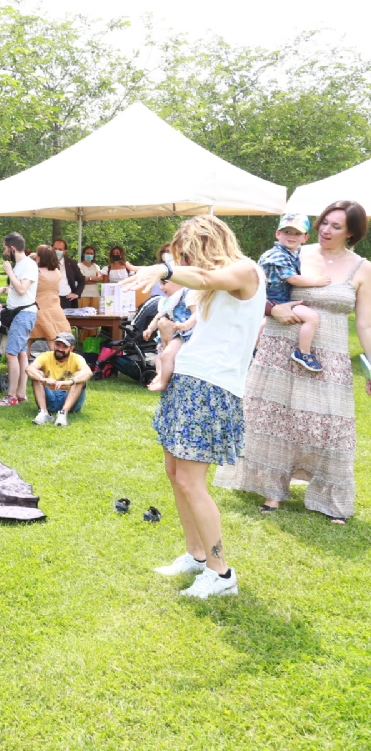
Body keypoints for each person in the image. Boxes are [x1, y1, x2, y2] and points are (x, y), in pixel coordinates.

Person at [122, 214, 265, 599]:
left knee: (190, 480)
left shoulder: (245, 270)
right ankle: (196, 555)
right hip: (189, 380)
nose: (189, 263)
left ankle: (221, 574)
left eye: (190, 254)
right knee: (175, 473)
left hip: (211, 387)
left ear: (207, 245)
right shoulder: (214, 286)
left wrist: (165, 267)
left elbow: (203, 279)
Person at [215, 200, 371, 525]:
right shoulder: (297, 250)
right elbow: (260, 290)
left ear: (353, 233)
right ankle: (273, 490)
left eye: (336, 226)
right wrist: (272, 309)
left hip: (330, 357)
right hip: (279, 347)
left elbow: (365, 324)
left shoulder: (362, 268)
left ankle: (331, 498)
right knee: (276, 420)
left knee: (328, 427)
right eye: (325, 222)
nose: (326, 230)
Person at [257, 213, 329, 372]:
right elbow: (293, 279)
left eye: (297, 233)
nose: (292, 236)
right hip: (275, 299)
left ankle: (255, 347)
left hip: (276, 298)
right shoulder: (277, 254)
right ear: (278, 234)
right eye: (287, 232)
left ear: (305, 238)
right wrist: (316, 282)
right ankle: (303, 352)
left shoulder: (293, 252)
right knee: (312, 317)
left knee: (264, 324)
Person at [0, 232, 38, 407]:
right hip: (17, 313)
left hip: (24, 314)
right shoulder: (19, 265)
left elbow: (22, 289)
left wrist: (9, 273)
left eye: (5, 248)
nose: (4, 252)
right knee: (20, 353)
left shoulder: (29, 265)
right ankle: (21, 393)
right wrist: (5, 289)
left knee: (11, 354)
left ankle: (11, 396)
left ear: (12, 248)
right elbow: (18, 287)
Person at [143, 279, 197, 392]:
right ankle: (160, 375)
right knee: (159, 357)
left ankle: (163, 382)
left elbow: (196, 313)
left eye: (164, 283)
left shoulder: (188, 294)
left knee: (166, 356)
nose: (161, 288)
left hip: (182, 333)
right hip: (169, 332)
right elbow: (158, 316)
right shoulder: (168, 300)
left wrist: (186, 324)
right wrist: (149, 328)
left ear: (179, 282)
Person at [26, 332, 89, 426]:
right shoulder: (46, 355)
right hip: (50, 398)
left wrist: (69, 382)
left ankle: (63, 413)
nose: (60, 349)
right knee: (37, 374)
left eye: (64, 347)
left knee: (79, 377)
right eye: (58, 345)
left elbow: (88, 372)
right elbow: (29, 369)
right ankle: (44, 412)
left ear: (71, 348)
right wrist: (43, 379)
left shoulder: (77, 358)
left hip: (70, 400)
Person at [30, 244, 73, 348]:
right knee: (53, 339)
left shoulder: (36, 272)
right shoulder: (57, 272)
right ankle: (58, 363)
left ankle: (24, 364)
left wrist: (30, 258)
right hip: (54, 308)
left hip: (38, 309)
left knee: (27, 341)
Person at [52, 238, 85, 308]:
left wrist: (77, 294)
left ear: (65, 252)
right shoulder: (45, 263)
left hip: (67, 300)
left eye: (60, 249)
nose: (57, 251)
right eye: (55, 249)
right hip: (51, 300)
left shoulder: (71, 263)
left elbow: (82, 279)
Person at [78, 246, 102, 310]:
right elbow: (82, 280)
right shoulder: (79, 266)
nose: (89, 255)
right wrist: (94, 279)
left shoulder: (96, 266)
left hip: (95, 295)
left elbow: (100, 278)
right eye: (87, 253)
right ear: (83, 254)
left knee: (95, 316)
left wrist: (89, 279)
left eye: (91, 254)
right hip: (83, 294)